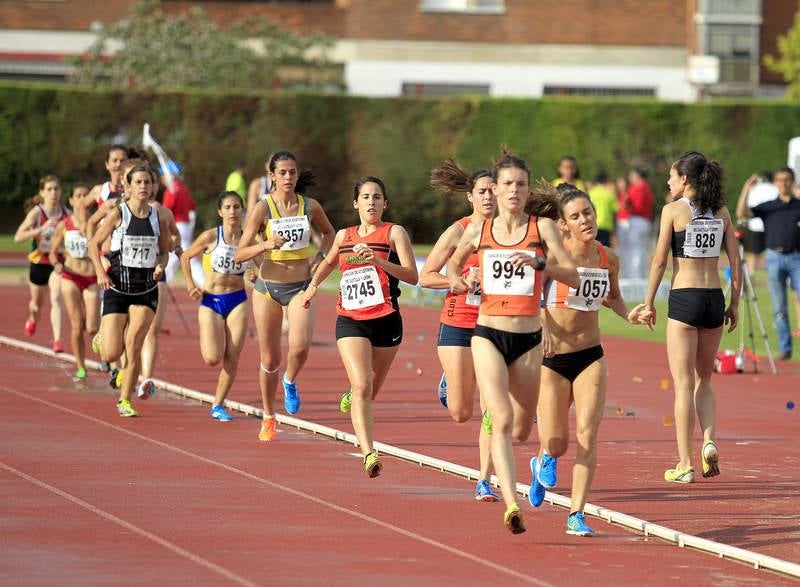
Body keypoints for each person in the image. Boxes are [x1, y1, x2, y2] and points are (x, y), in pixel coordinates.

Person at [448, 153, 578, 534]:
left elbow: (570, 272)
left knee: (522, 429)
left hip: (528, 338)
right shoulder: (479, 231)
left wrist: (540, 265)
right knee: (500, 420)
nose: (514, 191)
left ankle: (533, 466)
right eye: (507, 184)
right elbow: (453, 266)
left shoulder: (543, 230)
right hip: (487, 333)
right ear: (496, 188)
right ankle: (510, 504)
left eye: (521, 184)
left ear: (527, 189)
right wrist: (462, 280)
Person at [528, 184, 636, 537]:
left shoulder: (607, 258)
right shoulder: (553, 259)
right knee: (557, 442)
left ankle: (576, 514)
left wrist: (630, 315)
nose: (584, 220)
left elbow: (613, 298)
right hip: (553, 358)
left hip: (591, 355)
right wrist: (541, 323)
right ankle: (543, 457)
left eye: (587, 212)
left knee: (588, 435)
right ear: (562, 224)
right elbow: (531, 298)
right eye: (575, 216)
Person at [301, 176, 418, 476]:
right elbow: (328, 263)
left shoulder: (394, 233)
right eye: (365, 197)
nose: (371, 202)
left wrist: (379, 262)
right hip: (351, 320)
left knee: (369, 391)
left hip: (386, 320)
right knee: (363, 385)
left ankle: (354, 395)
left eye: (377, 197)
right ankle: (368, 452)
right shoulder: (344, 236)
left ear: (385, 203)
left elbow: (412, 275)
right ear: (356, 203)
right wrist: (313, 286)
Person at [636, 151, 740, 483]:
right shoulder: (721, 212)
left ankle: (684, 464)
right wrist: (734, 303)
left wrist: (649, 301)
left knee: (683, 385)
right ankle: (708, 441)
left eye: (670, 177)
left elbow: (659, 261)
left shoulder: (672, 211)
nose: (667, 182)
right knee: (704, 380)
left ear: (684, 179)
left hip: (684, 298)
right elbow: (736, 264)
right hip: (713, 298)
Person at [234, 151, 335, 441]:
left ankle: (290, 380)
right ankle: (268, 416)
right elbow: (241, 252)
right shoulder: (262, 209)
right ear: (272, 177)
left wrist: (319, 256)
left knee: (300, 346)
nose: (288, 178)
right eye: (283, 173)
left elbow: (329, 234)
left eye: (292, 172)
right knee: (269, 358)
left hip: (301, 286)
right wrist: (265, 244)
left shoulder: (310, 206)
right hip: (268, 288)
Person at [420, 159, 498, 501]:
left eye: (494, 191)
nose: (488, 197)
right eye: (482, 192)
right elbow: (426, 276)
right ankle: (450, 382)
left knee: (492, 406)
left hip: (495, 325)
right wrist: (460, 283)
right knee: (460, 412)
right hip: (457, 322)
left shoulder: (510, 232)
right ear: (470, 197)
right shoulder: (457, 231)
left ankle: (484, 479)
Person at [88, 163, 171, 417]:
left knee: (133, 346)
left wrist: (160, 265)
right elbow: (94, 244)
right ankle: (103, 336)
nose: (143, 187)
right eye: (138, 182)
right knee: (112, 351)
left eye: (147, 182)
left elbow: (165, 251)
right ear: (129, 186)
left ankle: (125, 401)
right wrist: (101, 273)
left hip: (146, 289)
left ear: (153, 186)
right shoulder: (118, 214)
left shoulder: (160, 217)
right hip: (117, 287)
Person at [182, 191, 249, 422]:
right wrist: (191, 283)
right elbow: (185, 256)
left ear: (242, 210)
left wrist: (255, 272)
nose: (232, 212)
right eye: (228, 207)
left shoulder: (248, 239)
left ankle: (218, 404)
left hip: (237, 299)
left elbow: (263, 268)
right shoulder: (211, 236)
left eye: (236, 207)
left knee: (233, 356)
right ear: (220, 211)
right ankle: (211, 337)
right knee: (212, 358)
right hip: (211, 300)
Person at [739, 167, 800, 361]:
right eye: (780, 180)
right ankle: (785, 348)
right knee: (779, 306)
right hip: (774, 257)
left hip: (797, 257)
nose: (784, 183)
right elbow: (742, 213)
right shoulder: (769, 206)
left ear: (793, 182)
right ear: (775, 183)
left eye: (788, 180)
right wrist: (746, 189)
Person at [48, 183, 100, 381]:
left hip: (92, 277)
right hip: (70, 276)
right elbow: (53, 252)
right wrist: (56, 264)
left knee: (93, 327)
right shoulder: (65, 224)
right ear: (71, 200)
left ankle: (104, 352)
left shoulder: (97, 223)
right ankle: (81, 367)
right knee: (77, 325)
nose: (81, 199)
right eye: (77, 195)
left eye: (85, 195)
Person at [14, 175, 68, 352]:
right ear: (42, 192)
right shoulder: (37, 213)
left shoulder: (66, 213)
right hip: (39, 263)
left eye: (56, 189)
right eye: (49, 189)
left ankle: (57, 341)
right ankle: (32, 319)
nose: (53, 193)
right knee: (37, 305)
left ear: (60, 192)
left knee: (56, 298)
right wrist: (41, 229)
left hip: (57, 262)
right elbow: (18, 237)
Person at [161, 161, 198, 283]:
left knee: (184, 257)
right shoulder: (184, 189)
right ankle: (162, 281)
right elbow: (193, 207)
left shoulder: (171, 190)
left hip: (176, 226)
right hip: (185, 226)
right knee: (179, 257)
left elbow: (165, 212)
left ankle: (161, 282)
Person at [735, 172, 778, 274]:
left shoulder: (754, 189)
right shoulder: (774, 188)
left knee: (753, 254)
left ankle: (751, 275)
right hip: (770, 226)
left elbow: (747, 207)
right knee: (773, 253)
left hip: (755, 225)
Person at [79, 145, 128, 225]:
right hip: (103, 235)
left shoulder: (132, 189)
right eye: (114, 160)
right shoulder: (100, 190)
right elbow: (82, 206)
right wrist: (84, 223)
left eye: (122, 161)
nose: (118, 164)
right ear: (107, 165)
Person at [622, 167, 655, 279]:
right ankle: (640, 274)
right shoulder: (646, 187)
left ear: (637, 175)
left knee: (635, 249)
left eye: (632, 175)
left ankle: (635, 276)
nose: (630, 178)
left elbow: (634, 205)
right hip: (645, 221)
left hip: (637, 219)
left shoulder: (637, 187)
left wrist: (626, 201)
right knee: (641, 249)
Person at [587, 171, 618, 247]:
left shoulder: (590, 193)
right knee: (605, 252)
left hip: (592, 225)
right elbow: (615, 212)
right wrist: (615, 230)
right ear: (606, 180)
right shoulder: (609, 194)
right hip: (606, 227)